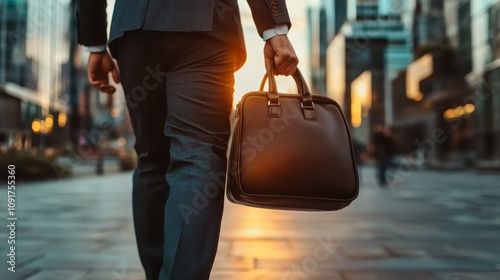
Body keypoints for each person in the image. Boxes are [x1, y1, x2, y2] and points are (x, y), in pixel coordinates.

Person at [76, 0, 298, 279]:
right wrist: (274, 29)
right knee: (199, 153)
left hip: (138, 26)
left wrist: (95, 42)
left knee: (151, 159)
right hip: (208, 26)